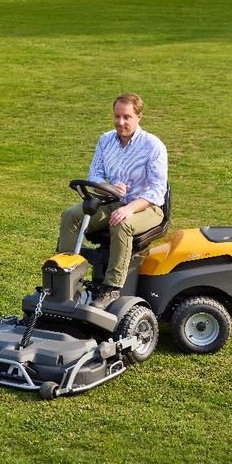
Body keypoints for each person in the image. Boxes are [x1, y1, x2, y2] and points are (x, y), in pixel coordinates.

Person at [58, 93, 168, 309]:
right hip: (112, 202)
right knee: (71, 215)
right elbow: (95, 174)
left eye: (127, 117)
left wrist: (130, 208)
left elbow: (157, 191)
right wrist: (109, 187)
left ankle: (112, 288)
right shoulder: (105, 140)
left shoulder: (153, 146)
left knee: (122, 223)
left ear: (139, 117)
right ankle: (64, 276)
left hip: (147, 207)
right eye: (117, 116)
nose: (120, 122)